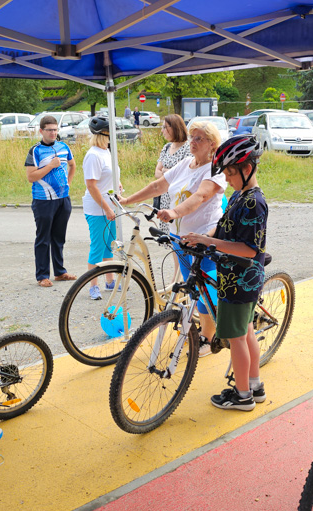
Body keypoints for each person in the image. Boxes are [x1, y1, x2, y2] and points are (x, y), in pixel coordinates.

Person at [120, 121, 226, 355]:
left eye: (199, 138)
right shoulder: (186, 164)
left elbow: (201, 195)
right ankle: (205, 328)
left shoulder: (215, 170)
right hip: (182, 237)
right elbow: (159, 185)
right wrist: (128, 200)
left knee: (204, 287)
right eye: (191, 137)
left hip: (205, 237)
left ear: (212, 144)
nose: (193, 142)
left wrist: (174, 212)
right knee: (193, 286)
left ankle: (209, 338)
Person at [183, 135, 268, 411]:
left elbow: (249, 249)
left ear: (247, 169)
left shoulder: (254, 203)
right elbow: (222, 228)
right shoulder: (240, 195)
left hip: (239, 279)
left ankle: (242, 396)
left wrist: (210, 242)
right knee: (246, 332)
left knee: (237, 338)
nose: (228, 179)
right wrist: (202, 236)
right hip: (238, 277)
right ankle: (254, 385)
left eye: (231, 173)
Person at [25, 115, 77, 287]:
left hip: (63, 199)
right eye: (49, 130)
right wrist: (50, 166)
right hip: (43, 200)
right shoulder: (35, 151)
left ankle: (60, 272)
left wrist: (68, 184)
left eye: (55, 129)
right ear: (41, 131)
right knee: (43, 238)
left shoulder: (64, 147)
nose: (53, 133)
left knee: (59, 237)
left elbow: (72, 165)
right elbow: (31, 177)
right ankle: (42, 276)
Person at [81, 117, 119, 301]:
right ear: (104, 134)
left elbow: (107, 178)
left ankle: (109, 281)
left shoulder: (106, 152)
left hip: (110, 205)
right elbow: (92, 186)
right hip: (98, 209)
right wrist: (106, 208)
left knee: (109, 247)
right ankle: (93, 286)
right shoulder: (93, 155)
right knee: (97, 248)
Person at [153, 114, 191, 232]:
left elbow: (185, 174)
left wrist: (165, 172)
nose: (162, 130)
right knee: (167, 236)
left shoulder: (188, 147)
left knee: (179, 232)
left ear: (175, 128)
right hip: (165, 197)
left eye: (165, 127)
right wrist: (170, 173)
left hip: (179, 198)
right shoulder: (167, 147)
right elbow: (156, 172)